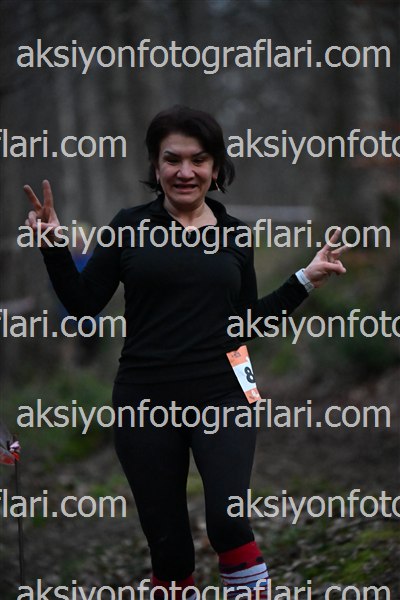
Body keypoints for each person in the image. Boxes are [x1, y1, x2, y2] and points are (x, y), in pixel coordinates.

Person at [24, 106, 347, 599]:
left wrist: (305, 279)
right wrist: (53, 246)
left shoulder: (235, 235)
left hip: (224, 395)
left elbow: (246, 322)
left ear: (215, 168)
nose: (185, 171)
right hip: (144, 400)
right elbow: (83, 304)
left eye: (198, 159)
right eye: (172, 159)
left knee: (229, 522)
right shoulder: (128, 226)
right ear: (156, 167)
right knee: (170, 549)